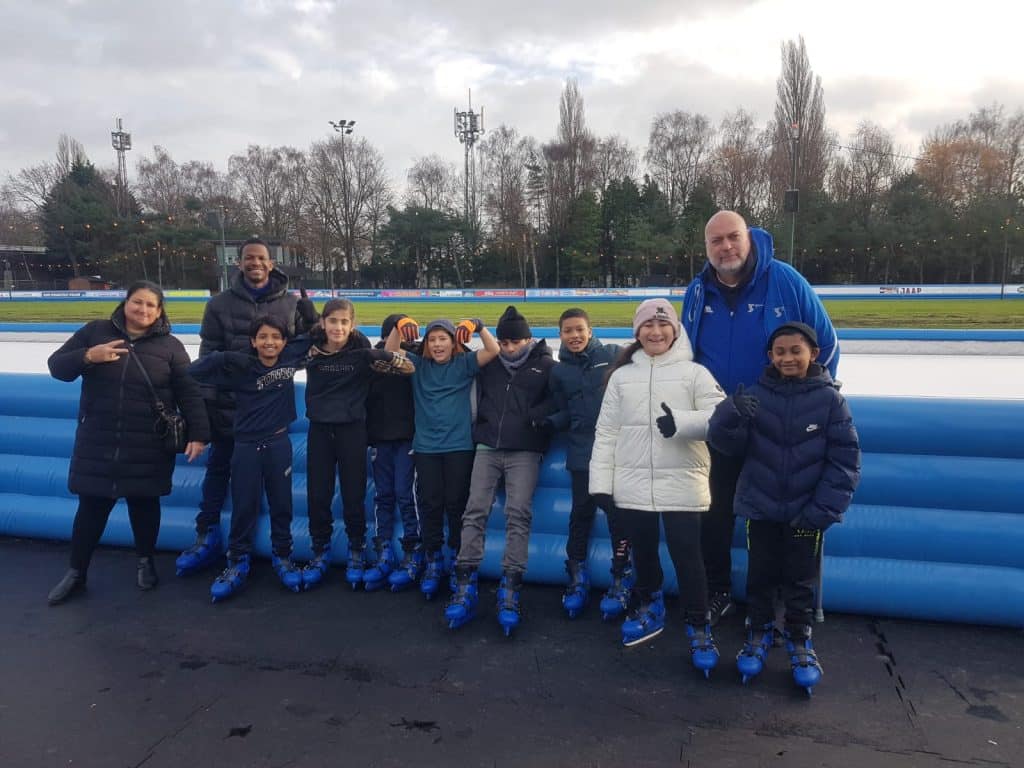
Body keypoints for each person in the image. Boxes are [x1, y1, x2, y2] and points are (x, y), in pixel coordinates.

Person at [681, 210, 839, 626]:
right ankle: (718, 590)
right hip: (721, 424)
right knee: (714, 513)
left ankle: (776, 603)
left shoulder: (785, 279)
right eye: (716, 241)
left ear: (749, 238)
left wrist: (810, 402)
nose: (726, 247)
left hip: (777, 425)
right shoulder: (697, 290)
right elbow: (686, 353)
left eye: (733, 237)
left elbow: (826, 345)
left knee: (775, 519)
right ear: (706, 247)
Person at [707, 321, 860, 693]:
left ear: (814, 354)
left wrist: (821, 511)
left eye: (796, 351)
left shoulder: (831, 401)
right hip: (761, 510)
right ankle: (759, 630)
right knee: (760, 576)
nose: (788, 358)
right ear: (770, 356)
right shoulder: (757, 396)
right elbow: (728, 447)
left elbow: (845, 461)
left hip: (806, 513)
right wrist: (728, 414)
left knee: (800, 580)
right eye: (780, 352)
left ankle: (798, 636)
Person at [47, 281, 210, 605]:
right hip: (99, 440)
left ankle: (145, 562)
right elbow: (57, 367)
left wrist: (199, 434)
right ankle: (76, 572)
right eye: (138, 302)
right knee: (91, 508)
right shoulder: (95, 332)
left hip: (148, 443)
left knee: (144, 504)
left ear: (159, 312)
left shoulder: (170, 347)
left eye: (151, 305)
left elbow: (189, 393)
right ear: (126, 303)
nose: (143, 310)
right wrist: (88, 356)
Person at [589, 299, 724, 677]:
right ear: (637, 332)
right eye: (647, 325)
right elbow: (606, 432)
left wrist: (682, 422)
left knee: (688, 556)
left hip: (682, 480)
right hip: (632, 482)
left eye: (663, 325)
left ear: (675, 331)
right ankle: (649, 603)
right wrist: (601, 483)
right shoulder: (621, 377)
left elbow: (721, 417)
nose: (655, 332)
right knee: (643, 552)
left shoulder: (695, 373)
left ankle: (698, 622)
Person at [174, 237, 317, 578]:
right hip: (227, 409)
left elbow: (304, 350)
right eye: (249, 258)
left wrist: (313, 322)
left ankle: (280, 552)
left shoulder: (290, 303)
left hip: (268, 411)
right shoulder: (219, 304)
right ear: (239, 263)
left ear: (271, 263)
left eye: (261, 258)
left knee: (275, 492)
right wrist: (204, 414)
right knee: (217, 474)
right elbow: (207, 356)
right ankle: (207, 537)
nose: (255, 263)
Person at [445, 305, 554, 637]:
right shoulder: (489, 363)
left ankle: (510, 585)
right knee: (474, 510)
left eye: (515, 342)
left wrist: (539, 418)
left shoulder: (546, 366)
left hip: (525, 450)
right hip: (488, 446)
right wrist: (475, 327)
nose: (508, 349)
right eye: (504, 342)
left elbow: (560, 400)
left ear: (528, 339)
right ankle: (465, 582)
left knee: (517, 513)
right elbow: (450, 356)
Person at [187, 315, 314, 601]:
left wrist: (309, 315)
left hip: (278, 443)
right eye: (263, 337)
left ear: (284, 341)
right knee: (244, 504)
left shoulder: (290, 356)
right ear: (253, 341)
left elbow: (316, 335)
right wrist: (223, 356)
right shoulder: (241, 367)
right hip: (245, 445)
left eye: (276, 337)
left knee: (282, 503)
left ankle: (283, 556)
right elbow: (193, 372)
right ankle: (237, 560)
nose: (270, 342)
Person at [300, 301, 414, 592]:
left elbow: (402, 365)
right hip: (320, 430)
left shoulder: (361, 353)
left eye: (344, 322)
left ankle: (356, 548)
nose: (338, 327)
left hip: (352, 430)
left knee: (353, 493)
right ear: (323, 323)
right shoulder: (309, 349)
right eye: (332, 321)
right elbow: (276, 354)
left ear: (352, 325)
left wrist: (392, 343)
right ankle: (320, 549)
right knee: (318, 494)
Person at [385, 315, 500, 600]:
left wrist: (479, 326)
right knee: (430, 503)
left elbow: (493, 350)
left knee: (456, 504)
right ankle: (433, 558)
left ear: (453, 342)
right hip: (426, 448)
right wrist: (399, 325)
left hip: (459, 446)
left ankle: (460, 560)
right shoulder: (417, 365)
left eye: (443, 339)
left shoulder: (463, 364)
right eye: (432, 340)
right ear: (426, 344)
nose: (437, 345)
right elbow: (390, 353)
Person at [546, 308, 631, 620]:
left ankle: (621, 575)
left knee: (617, 514)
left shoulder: (613, 355)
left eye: (579, 329)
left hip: (615, 451)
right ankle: (577, 575)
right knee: (580, 513)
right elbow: (565, 411)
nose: (575, 336)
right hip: (582, 452)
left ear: (590, 330)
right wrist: (548, 422)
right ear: (560, 335)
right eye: (568, 331)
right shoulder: (559, 372)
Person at [365, 314, 421, 592]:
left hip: (407, 440)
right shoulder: (372, 361)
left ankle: (413, 549)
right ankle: (384, 550)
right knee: (383, 495)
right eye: (397, 333)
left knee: (405, 494)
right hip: (380, 440)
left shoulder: (415, 360)